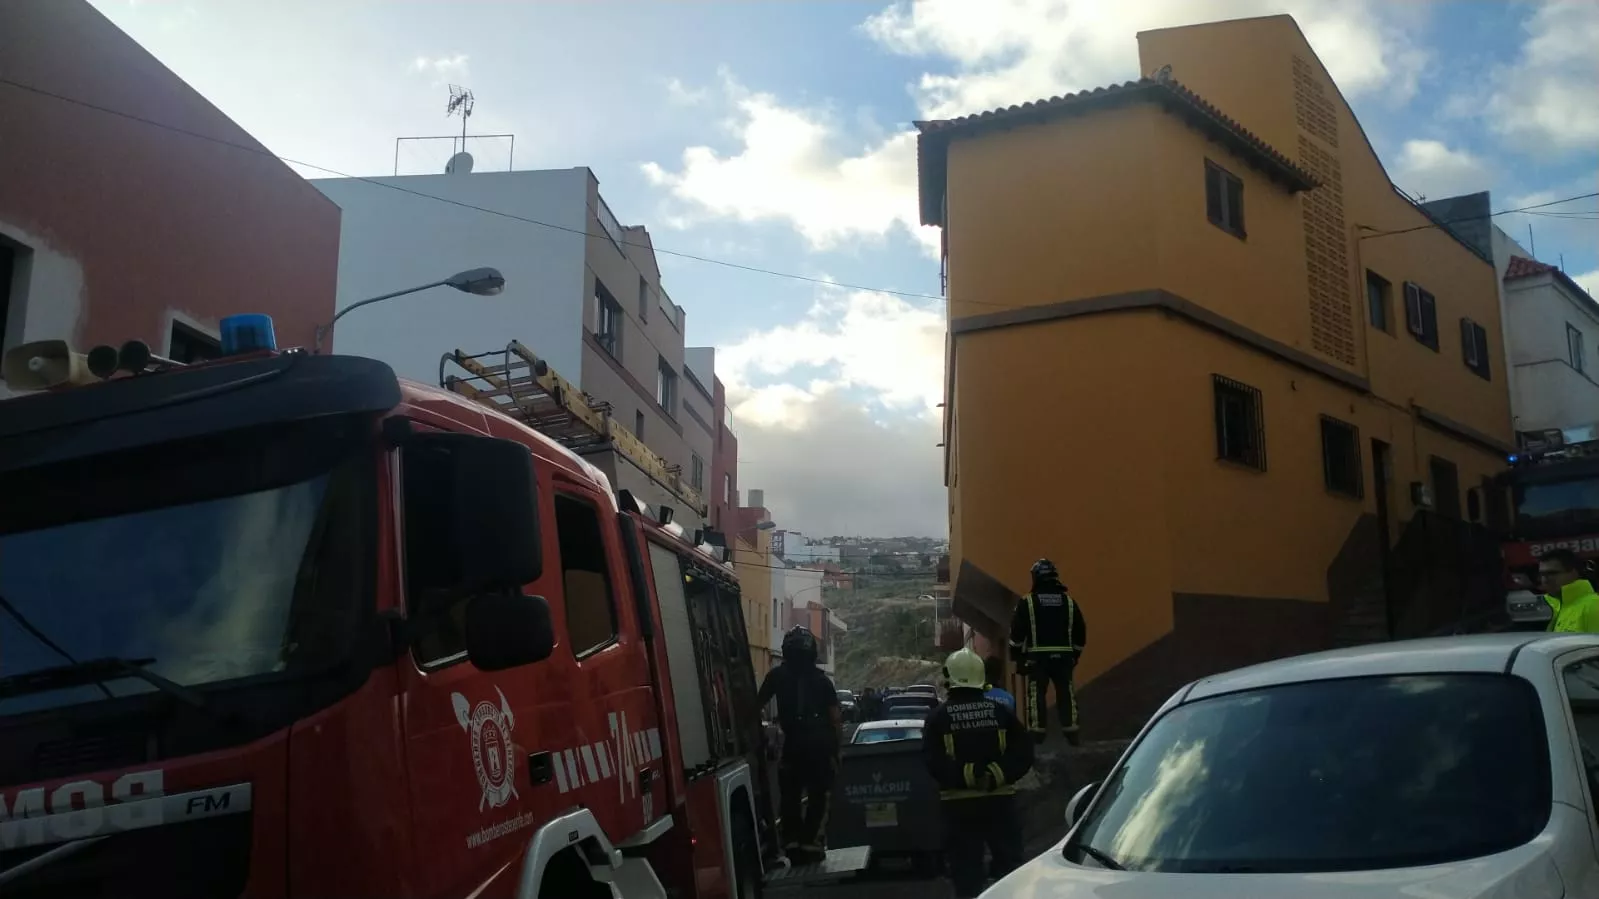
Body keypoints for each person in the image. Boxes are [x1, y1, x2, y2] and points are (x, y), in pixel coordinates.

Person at [922, 648, 1033, 899]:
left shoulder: (938, 718)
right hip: (999, 801)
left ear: (950, 677)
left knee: (966, 873)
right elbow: (1024, 752)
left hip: (959, 808)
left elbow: (932, 761)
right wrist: (995, 775)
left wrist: (967, 776)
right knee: (1009, 869)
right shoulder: (1001, 712)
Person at [756, 626, 843, 864]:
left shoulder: (776, 676)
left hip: (793, 745)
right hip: (821, 745)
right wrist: (837, 751)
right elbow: (835, 719)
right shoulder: (823, 681)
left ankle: (792, 842)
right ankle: (811, 843)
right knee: (819, 795)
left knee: (790, 795)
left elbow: (756, 704)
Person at [1008, 558, 1087, 745]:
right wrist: (1074, 655)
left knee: (1036, 695)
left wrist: (1018, 658)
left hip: (1038, 658)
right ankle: (1072, 733)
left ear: (1036, 578)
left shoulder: (1027, 603)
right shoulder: (1069, 602)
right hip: (1064, 658)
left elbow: (1016, 634)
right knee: (1066, 693)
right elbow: (1080, 632)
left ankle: (1037, 734)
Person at [1541, 549, 1599, 632]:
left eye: (1552, 573)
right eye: (1542, 574)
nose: (1545, 580)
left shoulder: (1594, 605)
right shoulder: (1555, 608)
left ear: (1574, 573)